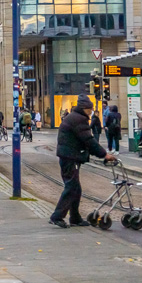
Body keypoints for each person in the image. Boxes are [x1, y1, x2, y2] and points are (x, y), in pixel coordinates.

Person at [49, 94, 114, 228]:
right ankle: (57, 216)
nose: (91, 111)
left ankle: (75, 218)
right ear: (84, 108)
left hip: (69, 156)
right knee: (72, 187)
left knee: (75, 188)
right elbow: (88, 140)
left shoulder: (75, 117)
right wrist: (104, 155)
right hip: (70, 158)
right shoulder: (78, 120)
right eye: (90, 109)